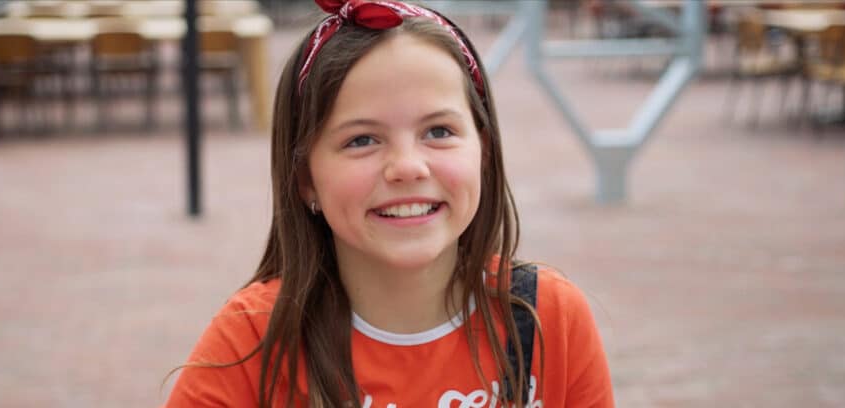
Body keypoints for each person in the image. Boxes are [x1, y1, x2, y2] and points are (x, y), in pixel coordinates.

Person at [165, 0, 613, 406]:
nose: (407, 167)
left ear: (484, 153)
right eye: (362, 140)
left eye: (438, 131)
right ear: (306, 179)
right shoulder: (250, 342)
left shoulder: (548, 317)